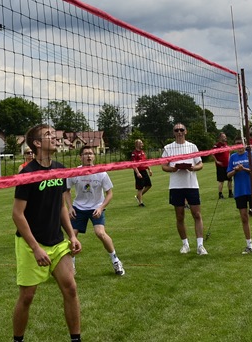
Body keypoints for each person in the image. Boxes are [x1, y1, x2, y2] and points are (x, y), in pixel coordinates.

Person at [12, 123, 82, 342]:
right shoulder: (28, 173)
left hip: (57, 242)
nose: (55, 137)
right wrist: (35, 248)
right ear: (37, 143)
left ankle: (76, 339)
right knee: (27, 297)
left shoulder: (59, 169)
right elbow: (17, 214)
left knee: (70, 288)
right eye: (48, 135)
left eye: (54, 133)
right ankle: (17, 340)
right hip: (31, 243)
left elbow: (61, 206)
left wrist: (71, 235)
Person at [66, 145, 124, 276]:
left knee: (100, 233)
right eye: (85, 154)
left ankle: (116, 261)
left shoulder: (101, 172)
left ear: (94, 156)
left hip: (96, 207)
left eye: (91, 153)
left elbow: (109, 193)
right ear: (80, 157)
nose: (89, 156)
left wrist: (101, 207)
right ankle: (71, 266)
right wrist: (70, 207)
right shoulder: (75, 172)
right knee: (72, 236)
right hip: (78, 208)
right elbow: (66, 191)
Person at [161, 123, 206, 255]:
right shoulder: (168, 148)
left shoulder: (192, 146)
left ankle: (200, 245)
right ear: (173, 132)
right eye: (176, 130)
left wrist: (192, 168)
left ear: (186, 131)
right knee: (180, 216)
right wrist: (173, 169)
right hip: (176, 186)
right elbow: (164, 166)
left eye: (181, 130)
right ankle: (185, 244)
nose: (179, 132)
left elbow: (200, 164)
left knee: (197, 214)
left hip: (191, 184)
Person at [227, 144, 252, 255]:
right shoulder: (233, 157)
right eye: (237, 145)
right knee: (244, 217)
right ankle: (249, 245)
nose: (240, 147)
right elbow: (228, 175)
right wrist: (236, 170)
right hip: (240, 191)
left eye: (241, 144)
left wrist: (244, 168)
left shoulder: (251, 155)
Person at [130, 139, 152, 207]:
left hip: (144, 171)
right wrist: (137, 173)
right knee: (140, 188)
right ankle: (140, 203)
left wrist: (149, 169)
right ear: (137, 144)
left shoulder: (142, 152)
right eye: (141, 143)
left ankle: (138, 196)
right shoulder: (134, 153)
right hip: (139, 171)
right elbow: (134, 164)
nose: (142, 144)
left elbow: (145, 162)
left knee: (149, 185)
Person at [213, 132, 232, 199]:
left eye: (225, 136)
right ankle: (220, 194)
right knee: (221, 180)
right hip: (220, 166)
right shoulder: (217, 145)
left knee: (230, 180)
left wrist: (230, 160)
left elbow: (228, 153)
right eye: (223, 136)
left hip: (227, 165)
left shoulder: (226, 145)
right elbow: (212, 153)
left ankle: (230, 193)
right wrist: (217, 161)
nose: (225, 138)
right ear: (220, 137)